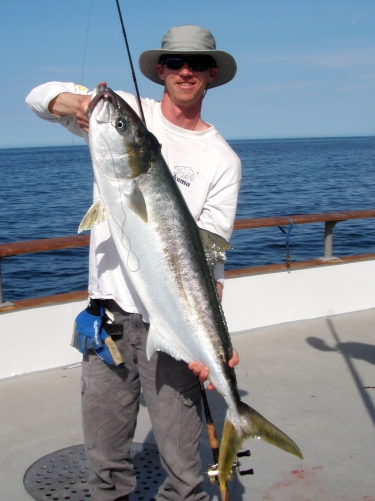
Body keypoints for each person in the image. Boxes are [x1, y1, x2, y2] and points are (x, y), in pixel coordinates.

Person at [26, 25, 241, 501]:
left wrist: (214, 341)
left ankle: (238, 425)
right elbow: (38, 97)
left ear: (212, 74)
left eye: (198, 64)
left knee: (185, 471)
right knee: (104, 460)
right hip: (110, 323)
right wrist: (78, 105)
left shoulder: (222, 159)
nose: (186, 71)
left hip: (174, 327)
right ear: (160, 70)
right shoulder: (118, 115)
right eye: (176, 62)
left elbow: (212, 262)